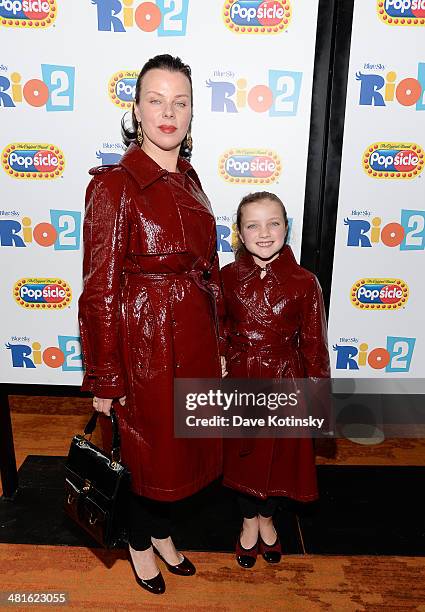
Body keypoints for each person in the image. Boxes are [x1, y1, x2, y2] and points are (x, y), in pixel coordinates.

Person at [78, 54, 227, 595]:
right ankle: (139, 544)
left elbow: (205, 269)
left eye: (180, 101)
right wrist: (105, 379)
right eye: (156, 100)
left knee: (181, 451)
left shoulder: (189, 177)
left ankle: (163, 534)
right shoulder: (115, 185)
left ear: (191, 113)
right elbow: (98, 290)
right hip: (145, 344)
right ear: (136, 109)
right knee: (145, 452)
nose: (169, 112)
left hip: (194, 339)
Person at [221, 191, 330, 568]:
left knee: (278, 463)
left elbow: (315, 347)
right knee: (241, 461)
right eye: (253, 225)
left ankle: (268, 519)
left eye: (274, 223)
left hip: (286, 382)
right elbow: (216, 330)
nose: (264, 233)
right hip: (240, 380)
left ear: (287, 228)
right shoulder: (225, 278)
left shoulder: (304, 282)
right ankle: (248, 521)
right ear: (239, 232)